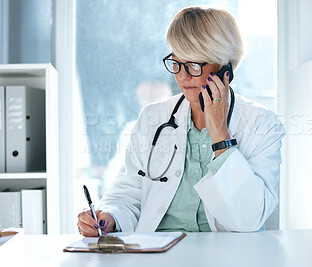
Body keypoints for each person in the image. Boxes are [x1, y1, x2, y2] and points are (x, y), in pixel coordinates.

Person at [77, 5, 285, 236]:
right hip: (158, 248)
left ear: (225, 70)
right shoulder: (153, 118)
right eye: (176, 63)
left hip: (226, 251)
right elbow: (130, 191)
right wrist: (110, 217)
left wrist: (221, 137)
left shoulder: (262, 123)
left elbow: (249, 219)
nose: (182, 76)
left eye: (194, 65)